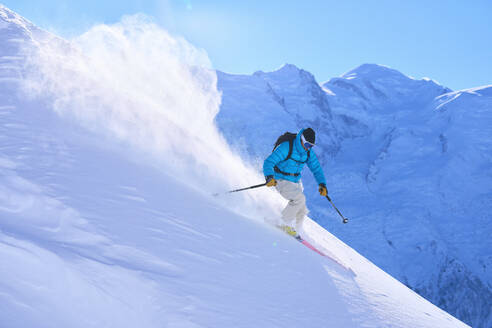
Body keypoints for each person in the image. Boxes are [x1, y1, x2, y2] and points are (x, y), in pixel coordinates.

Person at [263, 128, 328, 238]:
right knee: (299, 199)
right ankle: (282, 223)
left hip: (295, 181)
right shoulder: (287, 147)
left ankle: (297, 230)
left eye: (311, 146)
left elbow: (316, 168)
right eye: (308, 145)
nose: (309, 148)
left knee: (301, 208)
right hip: (280, 179)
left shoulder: (307, 153)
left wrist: (322, 184)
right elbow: (269, 162)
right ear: (302, 139)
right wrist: (269, 177)